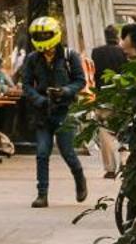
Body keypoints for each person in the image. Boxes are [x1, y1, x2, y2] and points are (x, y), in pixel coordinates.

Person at [19, 15, 88, 208]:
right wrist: (39, 99)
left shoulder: (69, 55)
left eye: (46, 38)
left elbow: (81, 81)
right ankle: (42, 194)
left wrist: (65, 91)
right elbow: (26, 84)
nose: (44, 45)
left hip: (66, 110)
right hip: (42, 111)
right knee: (42, 153)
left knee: (68, 152)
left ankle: (79, 178)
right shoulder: (33, 59)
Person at [89, 24, 129, 180]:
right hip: (122, 97)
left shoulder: (96, 52)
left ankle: (110, 168)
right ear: (117, 36)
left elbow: (94, 74)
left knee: (104, 131)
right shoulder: (124, 52)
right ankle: (125, 162)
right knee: (125, 131)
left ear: (105, 36)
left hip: (103, 97)